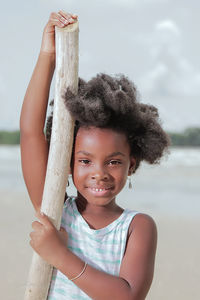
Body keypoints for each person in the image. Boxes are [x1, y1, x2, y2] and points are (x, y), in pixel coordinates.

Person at [20, 11, 170, 300]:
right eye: (85, 161)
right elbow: (30, 133)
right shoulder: (56, 213)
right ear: (66, 164)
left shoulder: (137, 227)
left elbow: (127, 296)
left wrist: (59, 254)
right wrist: (48, 55)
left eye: (113, 161)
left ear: (132, 164)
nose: (99, 172)